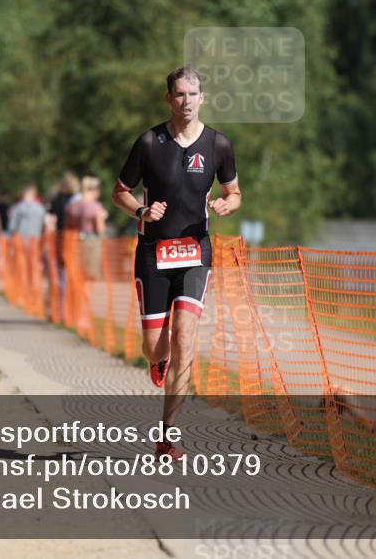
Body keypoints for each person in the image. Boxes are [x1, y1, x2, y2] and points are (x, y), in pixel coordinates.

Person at [112, 65, 241, 460]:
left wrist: (225, 203)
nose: (186, 101)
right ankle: (159, 359)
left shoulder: (218, 145)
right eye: (179, 94)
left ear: (203, 98)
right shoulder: (150, 143)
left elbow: (235, 193)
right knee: (155, 348)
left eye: (193, 94)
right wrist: (142, 212)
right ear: (169, 98)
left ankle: (168, 435)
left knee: (186, 336)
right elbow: (120, 192)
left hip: (195, 252)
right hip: (153, 253)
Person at [65, 176, 108, 280]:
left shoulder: (72, 205)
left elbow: (68, 225)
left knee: (76, 276)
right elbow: (100, 229)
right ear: (94, 190)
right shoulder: (95, 206)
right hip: (91, 243)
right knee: (89, 276)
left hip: (75, 242)